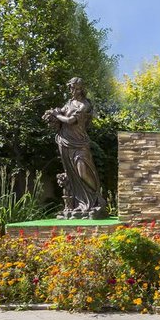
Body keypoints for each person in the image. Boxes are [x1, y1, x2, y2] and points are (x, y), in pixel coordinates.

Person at [43, 77, 108, 219]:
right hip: (65, 142)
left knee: (83, 171)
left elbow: (70, 120)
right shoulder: (69, 103)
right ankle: (77, 205)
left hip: (79, 143)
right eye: (70, 88)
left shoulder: (85, 104)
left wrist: (56, 114)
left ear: (80, 89)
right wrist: (53, 114)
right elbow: (62, 117)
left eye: (74, 88)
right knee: (71, 173)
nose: (72, 90)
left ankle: (96, 200)